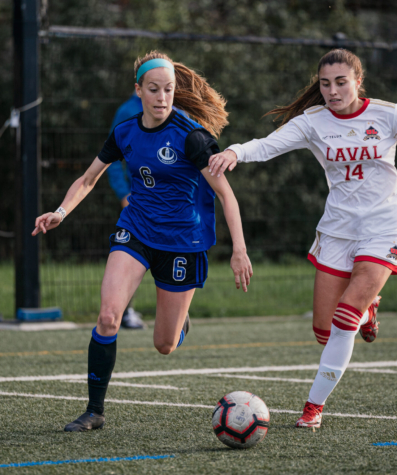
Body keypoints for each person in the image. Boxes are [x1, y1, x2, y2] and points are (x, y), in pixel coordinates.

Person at [208, 49, 397, 429]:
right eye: (325, 84)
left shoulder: (387, 113)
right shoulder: (314, 121)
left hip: (382, 228)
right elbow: (268, 145)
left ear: (358, 81)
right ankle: (369, 311)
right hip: (337, 231)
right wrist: (235, 152)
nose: (333, 91)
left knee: (344, 316)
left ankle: (312, 408)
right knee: (324, 331)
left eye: (341, 82)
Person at [32, 51, 253, 432]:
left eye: (169, 89)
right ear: (139, 91)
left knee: (164, 345)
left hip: (183, 241)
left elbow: (226, 195)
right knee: (108, 315)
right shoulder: (125, 132)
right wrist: (61, 212)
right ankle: (94, 411)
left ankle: (180, 323)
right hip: (136, 229)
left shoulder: (192, 137)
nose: (162, 97)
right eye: (154, 89)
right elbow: (88, 178)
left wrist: (239, 250)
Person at [106, 91, 145, 329]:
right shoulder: (127, 111)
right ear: (139, 86)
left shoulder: (176, 111)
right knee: (129, 257)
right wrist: (123, 193)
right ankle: (124, 310)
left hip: (171, 209)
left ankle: (176, 311)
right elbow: (110, 158)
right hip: (137, 206)